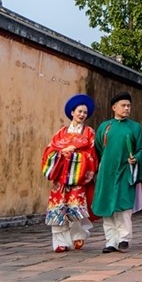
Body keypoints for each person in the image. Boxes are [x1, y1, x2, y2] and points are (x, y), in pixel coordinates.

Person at [92, 91, 142, 253]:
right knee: (107, 207)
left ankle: (124, 238)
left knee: (123, 206)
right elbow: (97, 149)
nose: (126, 108)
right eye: (123, 105)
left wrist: (136, 158)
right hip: (107, 173)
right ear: (114, 107)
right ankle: (110, 241)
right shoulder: (105, 127)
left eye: (129, 106)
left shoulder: (135, 127)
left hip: (125, 171)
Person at [42, 94, 99, 252]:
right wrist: (62, 153)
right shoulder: (61, 133)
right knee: (58, 209)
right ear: (72, 112)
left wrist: (75, 155)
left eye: (85, 113)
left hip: (77, 177)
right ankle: (60, 242)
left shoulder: (89, 133)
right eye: (79, 111)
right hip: (61, 178)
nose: (82, 115)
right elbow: (49, 151)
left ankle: (77, 235)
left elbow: (92, 155)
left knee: (75, 209)